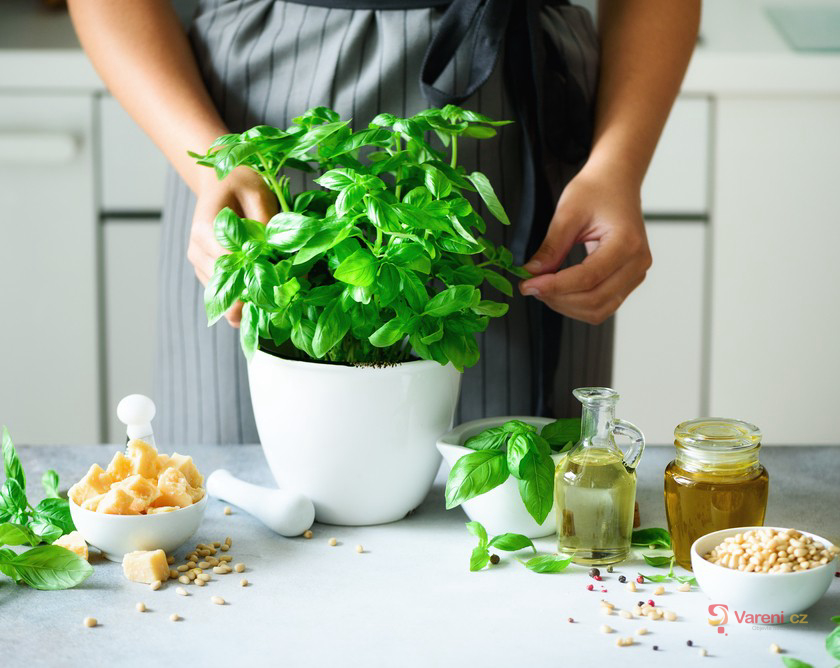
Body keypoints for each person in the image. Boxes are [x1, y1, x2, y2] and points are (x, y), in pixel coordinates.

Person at [68, 0, 700, 444]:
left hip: (520, 115)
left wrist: (619, 165)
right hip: (250, 126)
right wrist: (208, 161)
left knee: (522, 521)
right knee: (242, 523)